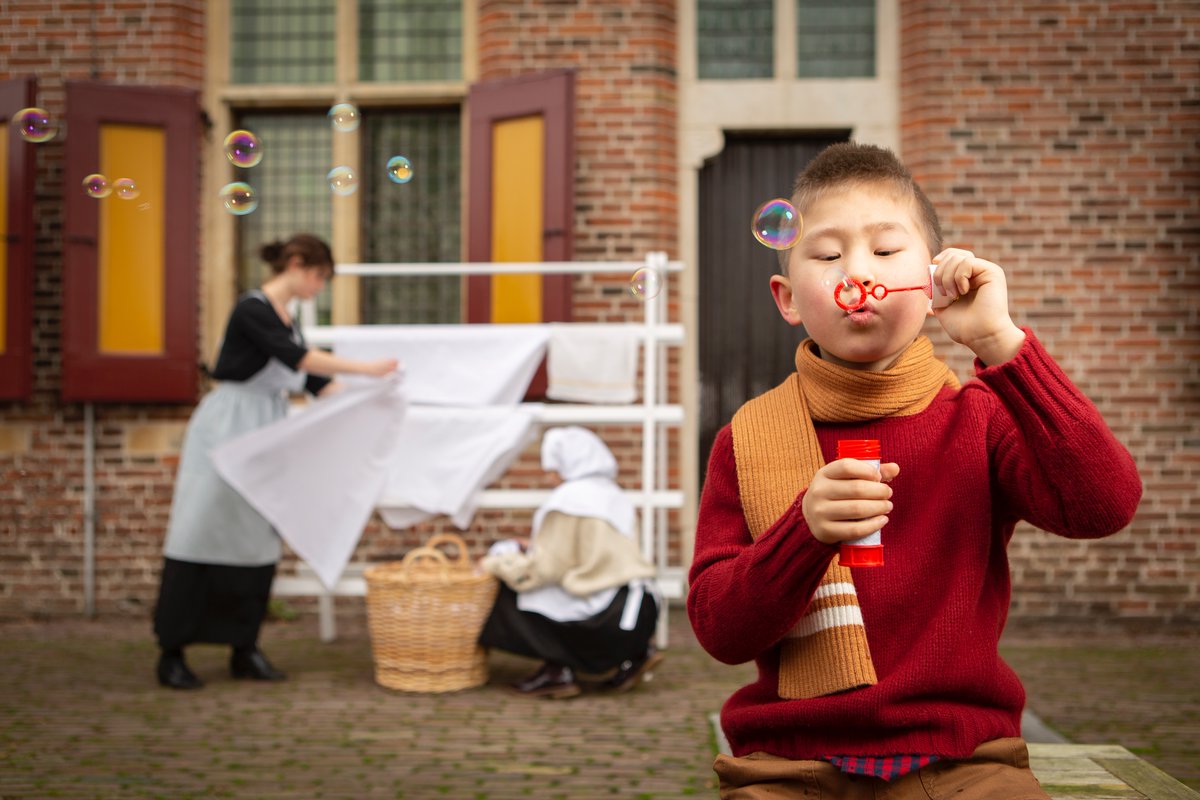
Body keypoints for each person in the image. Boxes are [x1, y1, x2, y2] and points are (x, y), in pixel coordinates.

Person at [688, 143, 1142, 798]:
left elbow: (1105, 504)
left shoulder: (981, 418)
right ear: (788, 298)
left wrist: (998, 341)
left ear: (930, 283)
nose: (857, 272)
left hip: (965, 756)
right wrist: (802, 534)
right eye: (827, 254)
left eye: (884, 250)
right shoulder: (747, 439)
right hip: (792, 761)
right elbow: (719, 630)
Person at [153, 234, 399, 690]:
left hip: (267, 429)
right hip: (228, 424)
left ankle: (243, 647)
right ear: (297, 264)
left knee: (258, 538)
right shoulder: (253, 309)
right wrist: (368, 369)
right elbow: (299, 359)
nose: (319, 287)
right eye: (319, 277)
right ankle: (173, 650)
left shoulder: (290, 322)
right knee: (198, 530)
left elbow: (314, 382)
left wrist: (374, 401)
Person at [478, 426, 664, 698]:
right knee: (563, 591)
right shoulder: (611, 494)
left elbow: (542, 571)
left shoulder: (568, 500)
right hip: (641, 610)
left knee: (512, 592)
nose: (548, 475)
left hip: (609, 618)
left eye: (552, 468)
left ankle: (557, 670)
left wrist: (494, 562)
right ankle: (635, 654)